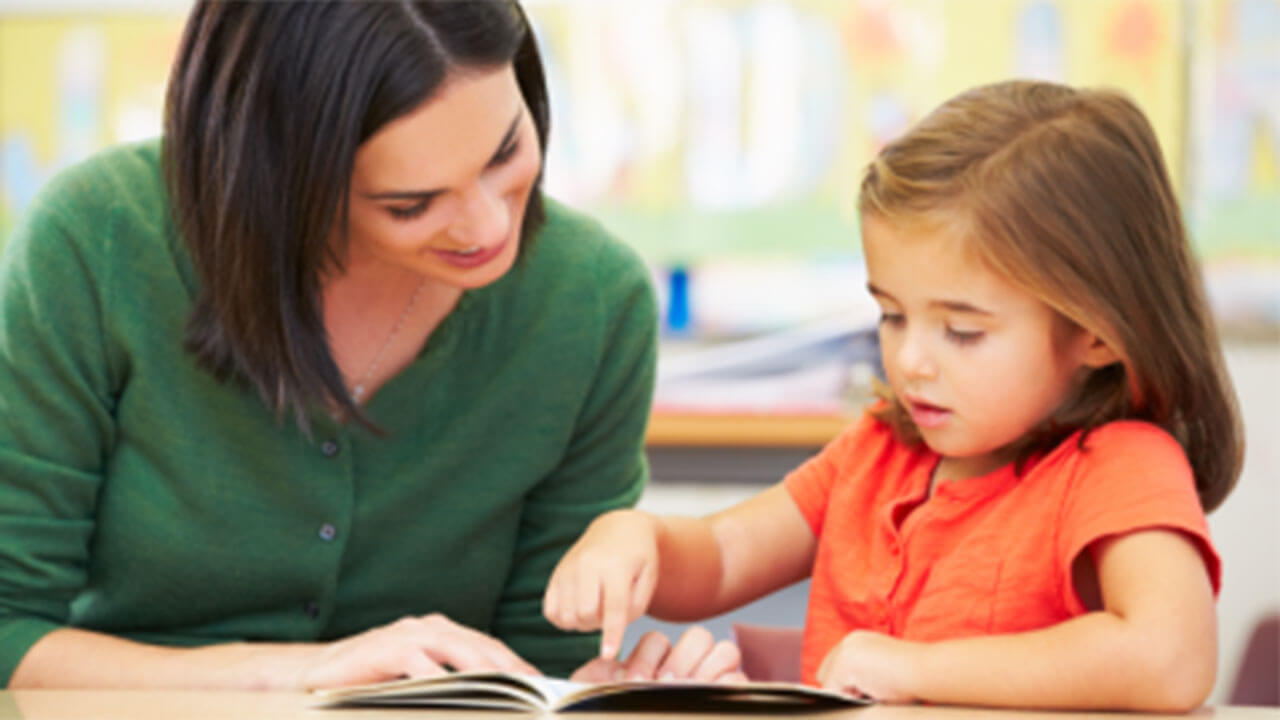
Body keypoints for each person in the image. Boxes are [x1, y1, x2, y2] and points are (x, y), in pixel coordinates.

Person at [0, 0, 739, 689]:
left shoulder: (593, 302)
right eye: (410, 204)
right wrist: (304, 671)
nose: (487, 228)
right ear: (284, 181)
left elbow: (537, 662)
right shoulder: (96, 243)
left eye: (505, 151)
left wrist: (602, 693)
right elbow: (9, 629)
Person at [543, 79, 1244, 711]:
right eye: (891, 315)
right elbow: (725, 555)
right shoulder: (879, 449)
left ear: (1096, 334)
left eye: (962, 331)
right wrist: (633, 539)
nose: (910, 361)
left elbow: (1170, 660)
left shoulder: (1119, 465)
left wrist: (915, 668)